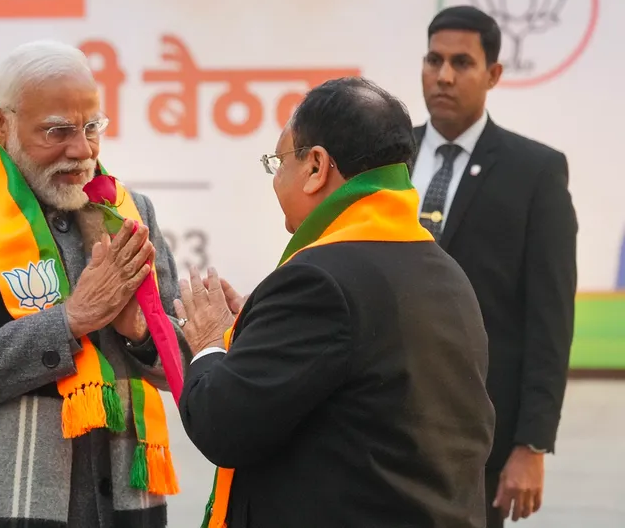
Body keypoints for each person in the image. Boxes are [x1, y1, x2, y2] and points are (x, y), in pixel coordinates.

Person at [0, 40, 187, 528]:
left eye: (92, 128)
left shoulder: (129, 211)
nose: (82, 150)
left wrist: (141, 334)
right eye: (57, 131)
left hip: (124, 507)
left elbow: (179, 363)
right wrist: (68, 322)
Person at [175, 77, 495, 528]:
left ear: (316, 167)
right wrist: (254, 330)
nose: (276, 179)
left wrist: (209, 340)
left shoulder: (317, 281)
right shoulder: (443, 269)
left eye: (279, 161)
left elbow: (223, 425)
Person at [414, 6, 578, 526]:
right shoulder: (384, 159)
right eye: (434, 59)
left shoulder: (535, 173)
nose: (443, 75)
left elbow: (549, 322)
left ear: (494, 75)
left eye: (461, 62)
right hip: (377, 428)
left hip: (478, 439)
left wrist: (531, 446)